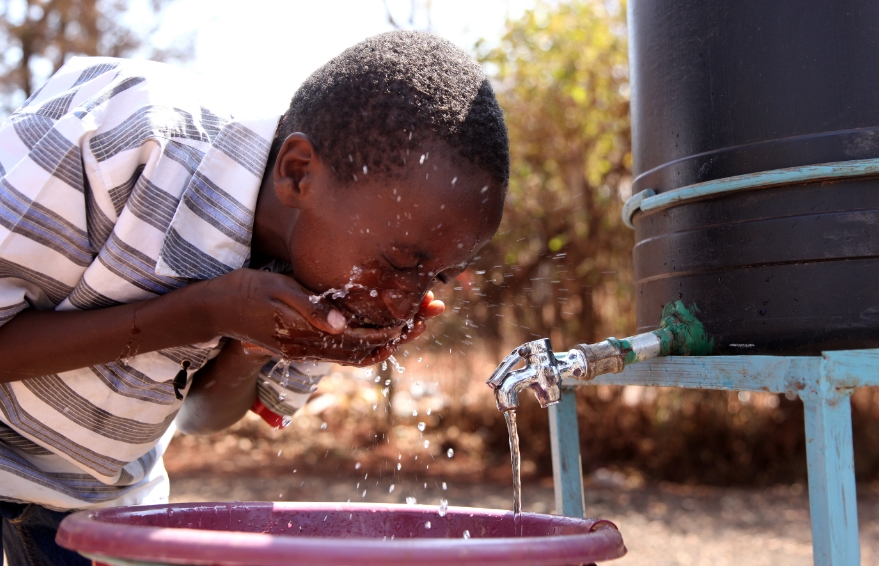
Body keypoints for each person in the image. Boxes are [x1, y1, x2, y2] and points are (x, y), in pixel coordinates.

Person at [0, 30, 508, 564]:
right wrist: (202, 312)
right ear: (297, 173)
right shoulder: (128, 135)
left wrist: (258, 344)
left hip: (94, 498)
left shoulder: (321, 277)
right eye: (403, 264)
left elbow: (199, 418)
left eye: (439, 279)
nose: (404, 304)